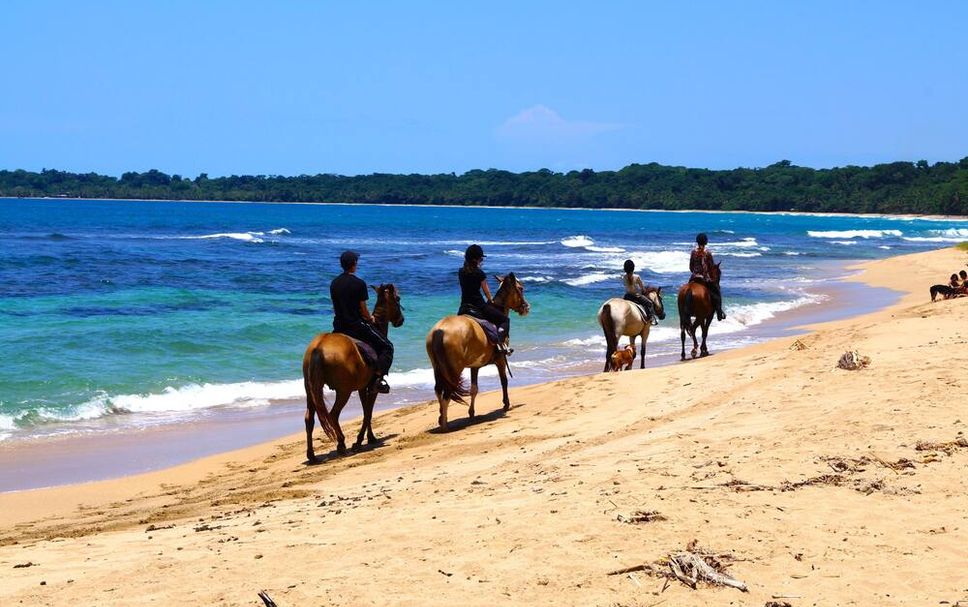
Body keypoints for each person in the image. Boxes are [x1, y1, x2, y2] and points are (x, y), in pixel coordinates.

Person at [330, 250, 393, 394]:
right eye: (356, 262)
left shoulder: (334, 283)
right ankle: (378, 379)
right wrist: (370, 318)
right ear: (353, 265)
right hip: (356, 327)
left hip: (338, 326)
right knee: (388, 346)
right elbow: (363, 309)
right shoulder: (359, 283)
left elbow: (335, 308)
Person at [457, 244, 512, 355]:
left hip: (463, 307)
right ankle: (500, 344)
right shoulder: (480, 273)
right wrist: (491, 300)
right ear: (475, 259)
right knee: (505, 320)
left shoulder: (461, 272)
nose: (481, 260)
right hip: (478, 306)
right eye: (481, 258)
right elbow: (486, 292)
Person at [690, 233, 726, 321]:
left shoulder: (693, 252)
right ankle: (719, 313)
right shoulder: (708, 253)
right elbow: (711, 267)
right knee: (717, 293)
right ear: (706, 242)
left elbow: (691, 267)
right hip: (704, 278)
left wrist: (695, 272)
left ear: (697, 241)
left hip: (693, 277)